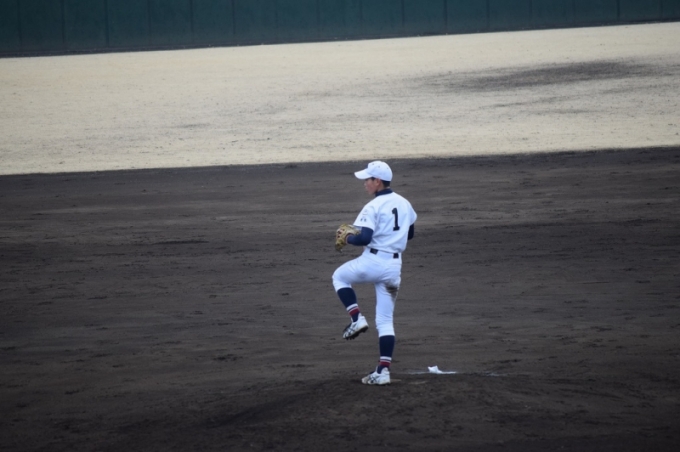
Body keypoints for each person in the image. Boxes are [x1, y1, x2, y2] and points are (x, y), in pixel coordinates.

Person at [332, 161, 417, 385]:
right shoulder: (405, 203)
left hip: (373, 261)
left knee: (339, 277)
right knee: (385, 321)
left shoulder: (373, 206)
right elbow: (409, 234)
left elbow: (365, 238)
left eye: (367, 180)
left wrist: (349, 238)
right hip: (393, 267)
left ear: (377, 181)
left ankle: (356, 318)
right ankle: (383, 372)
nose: (364, 183)